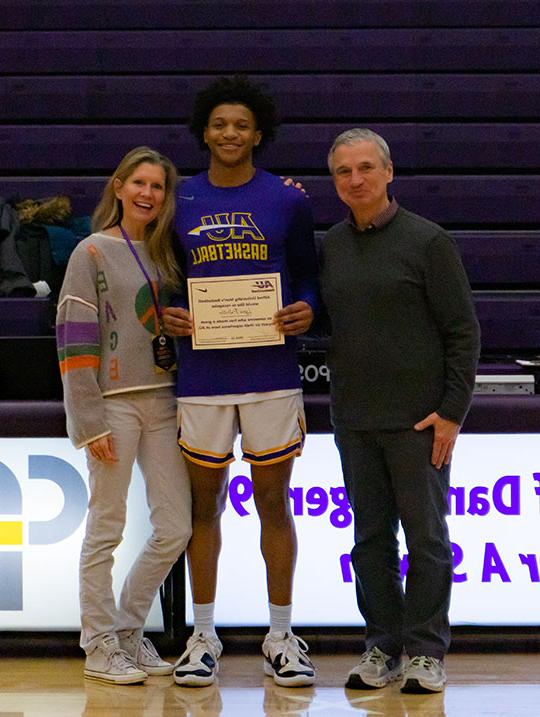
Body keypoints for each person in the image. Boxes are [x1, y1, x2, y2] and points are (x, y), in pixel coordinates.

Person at [162, 76, 318, 688]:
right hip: (201, 375)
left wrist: (305, 308)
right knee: (206, 507)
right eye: (220, 124)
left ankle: (281, 634)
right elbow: (166, 283)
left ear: (259, 134)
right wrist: (170, 313)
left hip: (271, 373)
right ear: (205, 130)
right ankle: (204, 634)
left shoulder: (288, 200)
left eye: (242, 125)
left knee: (274, 502)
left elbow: (307, 278)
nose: (230, 134)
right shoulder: (179, 198)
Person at [319, 129, 480, 694]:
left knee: (428, 539)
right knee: (369, 542)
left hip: (419, 423)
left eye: (366, 168)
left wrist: (452, 413)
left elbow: (463, 332)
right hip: (355, 421)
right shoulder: (331, 246)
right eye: (344, 171)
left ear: (389, 173)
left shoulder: (429, 241)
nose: (356, 179)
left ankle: (426, 652)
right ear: (334, 181)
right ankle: (382, 646)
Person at [56, 146, 192, 685]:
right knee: (106, 528)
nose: (147, 194)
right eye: (139, 183)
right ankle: (97, 643)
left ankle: (129, 630)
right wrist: (87, 420)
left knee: (176, 526)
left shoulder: (167, 254)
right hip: (112, 404)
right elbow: (74, 338)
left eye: (158, 187)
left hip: (163, 400)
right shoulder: (91, 252)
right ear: (118, 187)